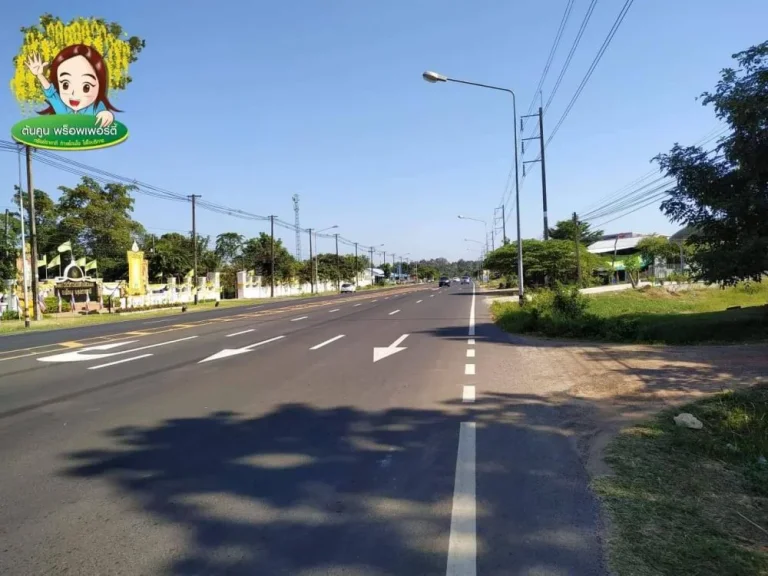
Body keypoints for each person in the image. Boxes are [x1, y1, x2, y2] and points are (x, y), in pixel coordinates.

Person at [25, 44, 120, 128]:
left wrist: (107, 115)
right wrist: (39, 75)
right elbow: (50, 92)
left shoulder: (95, 107)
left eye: (86, 87)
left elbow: (102, 112)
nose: (74, 94)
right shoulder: (61, 106)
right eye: (65, 85)